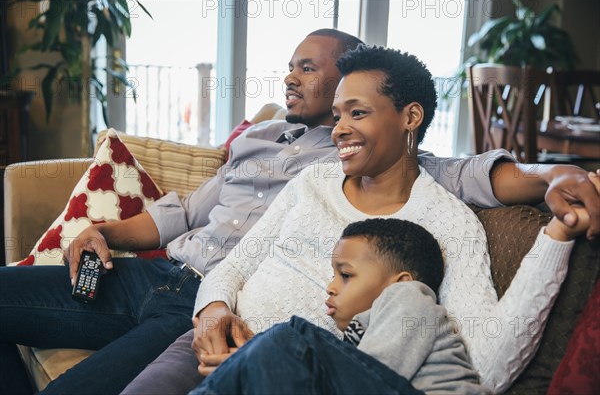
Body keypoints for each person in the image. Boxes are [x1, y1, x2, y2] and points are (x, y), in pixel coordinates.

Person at [0, 30, 596, 395]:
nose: (339, 128)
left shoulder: (442, 209)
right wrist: (207, 312)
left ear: (408, 118)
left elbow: (489, 360)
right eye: (339, 113)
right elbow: (230, 249)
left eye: (356, 112)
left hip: (274, 354)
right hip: (198, 317)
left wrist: (556, 209)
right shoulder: (297, 167)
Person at [193, 218, 490, 394]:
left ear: (399, 282)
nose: (331, 286)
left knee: (288, 338)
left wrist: (262, 358)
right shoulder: (363, 338)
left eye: (345, 275)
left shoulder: (410, 297)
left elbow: (370, 379)